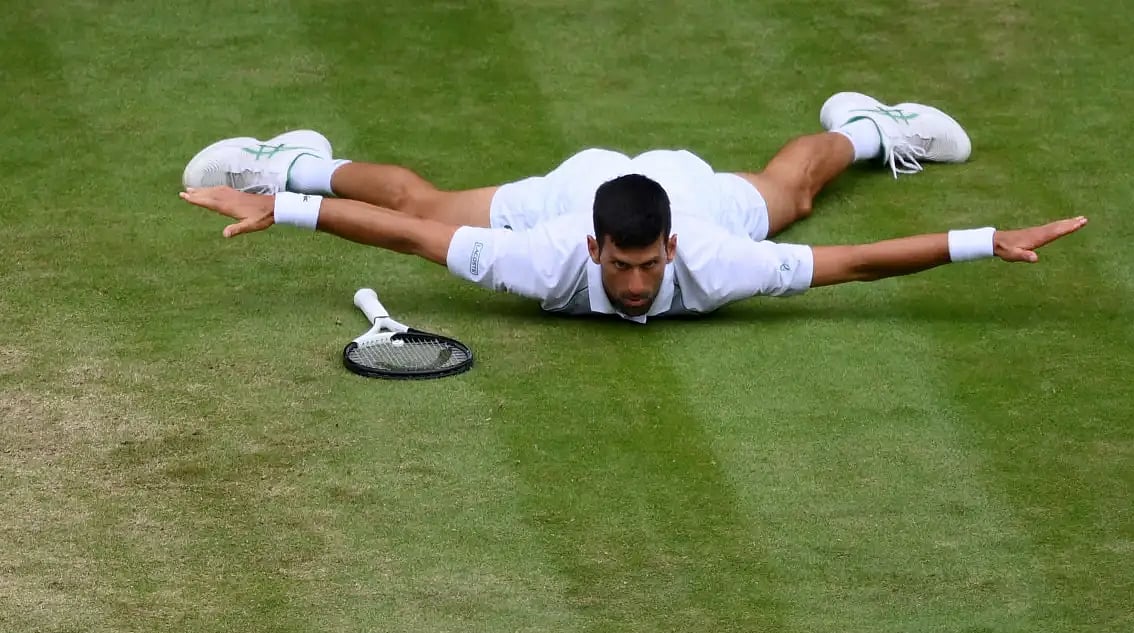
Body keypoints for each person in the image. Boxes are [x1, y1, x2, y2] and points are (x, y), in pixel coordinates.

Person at [179, 92, 1086, 323]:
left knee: (800, 192)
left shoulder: (719, 259)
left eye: (651, 266)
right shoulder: (544, 252)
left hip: (689, 188)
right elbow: (411, 230)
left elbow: (856, 262)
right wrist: (287, 208)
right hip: (577, 183)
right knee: (426, 195)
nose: (641, 282)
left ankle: (872, 124)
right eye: (625, 265)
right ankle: (292, 161)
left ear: (672, 249)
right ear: (596, 249)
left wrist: (984, 240)